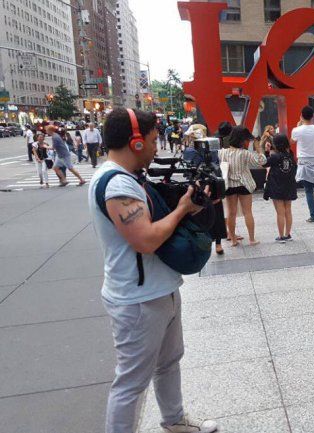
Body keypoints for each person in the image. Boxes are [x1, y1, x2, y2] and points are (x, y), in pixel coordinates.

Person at [89, 108, 217, 433]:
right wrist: (182, 210)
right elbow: (145, 239)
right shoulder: (116, 185)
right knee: (131, 383)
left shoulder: (130, 178)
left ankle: (174, 420)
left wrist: (189, 206)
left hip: (160, 289)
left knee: (169, 362)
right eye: (151, 140)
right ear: (135, 142)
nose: (155, 147)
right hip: (138, 300)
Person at [218, 125, 266, 246]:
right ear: (242, 140)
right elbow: (262, 162)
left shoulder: (222, 152)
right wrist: (259, 149)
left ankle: (233, 240)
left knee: (231, 213)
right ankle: (252, 239)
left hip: (229, 185)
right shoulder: (245, 153)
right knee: (247, 212)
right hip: (244, 184)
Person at [263, 134, 297, 243]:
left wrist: (267, 152)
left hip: (277, 187)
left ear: (276, 145)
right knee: (288, 211)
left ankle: (281, 236)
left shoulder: (275, 157)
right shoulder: (290, 155)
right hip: (289, 186)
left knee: (280, 213)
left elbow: (264, 163)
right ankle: (288, 234)